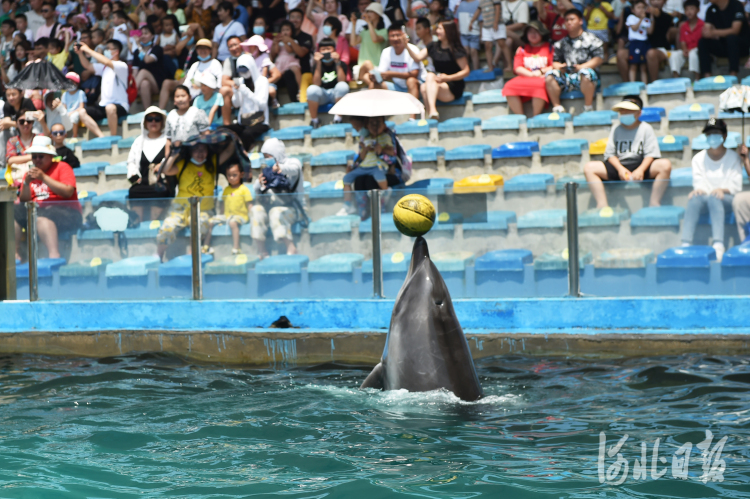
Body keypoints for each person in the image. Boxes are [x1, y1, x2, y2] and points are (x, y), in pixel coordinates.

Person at [583, 96, 672, 209]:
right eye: (622, 111)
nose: (625, 113)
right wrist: (620, 169)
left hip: (641, 165)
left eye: (629, 111)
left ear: (638, 113)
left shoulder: (646, 128)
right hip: (620, 166)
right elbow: (610, 154)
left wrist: (640, 170)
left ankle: (654, 202)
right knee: (589, 168)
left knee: (665, 165)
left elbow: (651, 154)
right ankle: (602, 205)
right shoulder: (616, 129)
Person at [157, 140, 236, 260]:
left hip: (203, 210)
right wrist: (175, 153)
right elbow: (166, 170)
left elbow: (229, 150)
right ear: (190, 151)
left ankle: (192, 257)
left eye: (203, 149)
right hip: (180, 209)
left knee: (200, 224)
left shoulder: (212, 163)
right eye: (196, 149)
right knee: (167, 228)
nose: (200, 153)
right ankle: (158, 257)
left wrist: (231, 136)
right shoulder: (183, 164)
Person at [681, 119, 742, 261]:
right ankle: (686, 243)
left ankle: (718, 244)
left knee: (715, 198)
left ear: (725, 136)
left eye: (716, 133)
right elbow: (699, 182)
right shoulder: (698, 158)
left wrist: (722, 190)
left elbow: (736, 185)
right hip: (706, 197)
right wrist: (698, 190)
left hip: (727, 199)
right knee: (694, 199)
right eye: (709, 134)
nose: (712, 137)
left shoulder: (734, 158)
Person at [13, 136, 81, 262]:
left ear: (50, 156)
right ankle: (15, 253)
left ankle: (54, 256)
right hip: (38, 210)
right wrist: (27, 183)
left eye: (41, 156)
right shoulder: (30, 173)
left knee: (41, 216)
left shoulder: (63, 167)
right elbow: (24, 200)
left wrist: (44, 177)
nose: (37, 160)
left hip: (68, 212)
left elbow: (68, 192)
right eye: (34, 156)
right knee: (15, 212)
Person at [405, 21, 470, 119]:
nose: (437, 31)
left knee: (430, 77)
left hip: (453, 85)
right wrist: (406, 45)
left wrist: (448, 78)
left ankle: (431, 111)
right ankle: (432, 113)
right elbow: (417, 58)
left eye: (440, 29)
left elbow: (466, 71)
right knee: (423, 86)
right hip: (438, 81)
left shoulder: (456, 50)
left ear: (448, 31)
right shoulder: (433, 46)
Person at [252, 138, 304, 258]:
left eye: (268, 156)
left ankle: (291, 248)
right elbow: (256, 188)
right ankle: (262, 251)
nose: (266, 159)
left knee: (276, 212)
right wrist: (260, 184)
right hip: (271, 207)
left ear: (276, 153)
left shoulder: (293, 162)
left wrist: (281, 169)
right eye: (264, 156)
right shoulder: (267, 170)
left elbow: (295, 170)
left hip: (294, 208)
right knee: (256, 210)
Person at [545, 8, 603, 114]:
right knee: (550, 75)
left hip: (587, 78)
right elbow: (554, 62)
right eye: (567, 20)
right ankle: (557, 107)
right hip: (567, 77)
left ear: (580, 21)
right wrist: (560, 67)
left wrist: (582, 67)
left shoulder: (591, 39)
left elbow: (599, 58)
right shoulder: (561, 43)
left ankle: (588, 107)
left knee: (586, 73)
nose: (569, 22)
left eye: (572, 19)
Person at [338, 115, 396, 216]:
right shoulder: (364, 138)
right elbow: (361, 157)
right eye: (371, 124)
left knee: (376, 180)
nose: (374, 127)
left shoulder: (387, 137)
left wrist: (381, 149)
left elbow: (392, 153)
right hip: (364, 167)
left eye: (377, 124)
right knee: (351, 179)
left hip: (379, 168)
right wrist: (364, 148)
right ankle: (355, 208)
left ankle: (382, 203)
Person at [74, 40, 130, 138]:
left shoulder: (122, 66)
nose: (106, 51)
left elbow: (107, 61)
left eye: (108, 48)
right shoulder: (103, 68)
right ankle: (101, 136)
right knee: (82, 112)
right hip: (103, 106)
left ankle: (114, 137)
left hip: (120, 105)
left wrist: (88, 50)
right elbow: (88, 66)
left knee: (110, 108)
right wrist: (80, 53)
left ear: (116, 51)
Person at [127, 106, 171, 222]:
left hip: (160, 184)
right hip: (142, 183)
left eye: (157, 119)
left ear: (162, 122)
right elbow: (131, 162)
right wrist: (134, 177)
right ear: (145, 122)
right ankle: (138, 227)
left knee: (161, 192)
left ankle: (154, 226)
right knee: (134, 191)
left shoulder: (167, 140)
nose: (153, 122)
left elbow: (170, 158)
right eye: (150, 119)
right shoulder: (138, 141)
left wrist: (161, 167)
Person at [502, 20, 553, 116]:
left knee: (540, 86)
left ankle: (535, 116)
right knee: (509, 86)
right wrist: (531, 74)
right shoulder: (521, 49)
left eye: (536, 32)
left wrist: (541, 72)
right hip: (525, 77)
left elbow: (554, 65)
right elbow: (517, 67)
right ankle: (520, 117)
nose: (533, 34)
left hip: (542, 77)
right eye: (530, 32)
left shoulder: (550, 48)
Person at [363, 22, 420, 102]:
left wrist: (391, 74)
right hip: (396, 87)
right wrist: (376, 77)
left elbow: (414, 74)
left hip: (416, 86)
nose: (395, 38)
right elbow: (382, 73)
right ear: (388, 38)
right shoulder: (386, 51)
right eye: (392, 36)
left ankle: (413, 113)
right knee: (375, 84)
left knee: (411, 81)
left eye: (398, 35)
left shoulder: (413, 49)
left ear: (404, 36)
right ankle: (371, 113)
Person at [159, 38, 223, 108]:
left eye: (205, 48)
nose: (203, 51)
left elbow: (219, 84)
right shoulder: (195, 65)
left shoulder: (215, 63)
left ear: (210, 50)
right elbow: (187, 83)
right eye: (200, 49)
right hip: (192, 97)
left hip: (208, 96)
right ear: (197, 51)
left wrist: (201, 87)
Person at [205, 163, 253, 255]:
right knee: (211, 221)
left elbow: (249, 205)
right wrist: (221, 216)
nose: (231, 178)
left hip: (241, 217)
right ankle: (206, 245)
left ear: (241, 174)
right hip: (227, 216)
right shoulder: (226, 189)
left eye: (234, 175)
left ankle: (236, 247)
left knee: (233, 223)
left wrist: (251, 218)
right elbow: (223, 204)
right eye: (229, 175)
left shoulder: (244, 189)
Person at [226, 54, 270, 150]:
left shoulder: (262, 81)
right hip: (244, 121)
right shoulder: (241, 81)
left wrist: (247, 92)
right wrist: (236, 92)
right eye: (241, 71)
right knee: (224, 130)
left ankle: (245, 153)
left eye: (245, 71)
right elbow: (236, 104)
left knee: (247, 134)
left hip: (260, 121)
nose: (243, 74)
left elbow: (262, 104)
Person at [698, 0, 750, 77]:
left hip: (741, 47)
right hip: (723, 45)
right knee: (703, 42)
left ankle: (733, 75)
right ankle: (707, 76)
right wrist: (710, 33)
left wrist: (713, 32)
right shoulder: (711, 9)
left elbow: (735, 30)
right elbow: (706, 31)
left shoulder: (736, 5)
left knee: (731, 38)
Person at [307, 37, 349, 128]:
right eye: (323, 49)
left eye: (328, 49)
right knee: (311, 89)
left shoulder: (342, 64)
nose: (326, 52)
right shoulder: (316, 65)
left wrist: (337, 62)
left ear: (334, 50)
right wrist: (318, 63)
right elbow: (316, 84)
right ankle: (314, 121)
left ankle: (338, 119)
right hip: (323, 95)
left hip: (336, 95)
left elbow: (342, 81)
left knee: (343, 86)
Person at [132, 24, 167, 109]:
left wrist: (139, 45)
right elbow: (135, 72)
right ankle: (147, 111)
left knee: (143, 71)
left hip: (157, 82)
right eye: (141, 34)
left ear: (152, 36)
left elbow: (147, 60)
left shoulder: (157, 49)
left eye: (146, 33)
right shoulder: (136, 52)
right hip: (143, 83)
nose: (143, 36)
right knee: (144, 83)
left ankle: (131, 92)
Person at [350, 2, 387, 77]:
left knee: (370, 79)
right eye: (367, 12)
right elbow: (353, 43)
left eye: (371, 12)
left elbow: (375, 39)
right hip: (362, 68)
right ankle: (378, 80)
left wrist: (369, 23)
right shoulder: (364, 31)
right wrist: (354, 24)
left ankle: (377, 79)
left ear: (378, 14)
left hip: (378, 67)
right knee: (367, 64)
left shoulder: (384, 31)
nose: (368, 14)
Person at [669, 0, 703, 77]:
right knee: (674, 54)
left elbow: (702, 43)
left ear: (698, 10)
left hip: (697, 50)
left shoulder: (702, 25)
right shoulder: (683, 26)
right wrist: (685, 50)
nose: (689, 12)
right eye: (686, 9)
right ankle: (676, 79)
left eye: (691, 9)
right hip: (687, 51)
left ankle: (697, 78)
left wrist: (690, 50)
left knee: (693, 53)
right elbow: (682, 41)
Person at [469, 0, 503, 72]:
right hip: (486, 26)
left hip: (496, 24)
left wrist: (496, 22)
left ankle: (507, 65)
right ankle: (490, 67)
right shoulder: (481, 1)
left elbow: (497, 8)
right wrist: (471, 22)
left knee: (501, 43)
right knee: (487, 46)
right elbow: (478, 10)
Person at [5, 111, 38, 185]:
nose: (25, 123)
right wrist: (33, 157)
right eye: (22, 121)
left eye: (28, 121)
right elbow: (10, 160)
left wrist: (42, 122)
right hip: (19, 181)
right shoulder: (12, 141)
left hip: (38, 179)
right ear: (16, 123)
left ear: (32, 122)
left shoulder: (39, 138)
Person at [271, 21, 303, 98]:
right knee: (276, 75)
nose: (285, 32)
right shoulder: (279, 42)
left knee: (296, 70)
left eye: (287, 30)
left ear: (292, 31)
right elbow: (276, 51)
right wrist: (275, 43)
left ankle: (300, 89)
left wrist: (286, 42)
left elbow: (290, 50)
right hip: (280, 62)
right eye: (283, 30)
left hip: (290, 61)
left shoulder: (294, 41)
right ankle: (270, 88)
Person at [644, 0, 672, 82]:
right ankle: (631, 87)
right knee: (621, 54)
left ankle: (654, 84)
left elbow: (660, 16)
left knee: (651, 53)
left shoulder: (667, 17)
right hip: (642, 46)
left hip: (660, 49)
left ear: (665, 1)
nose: (656, 2)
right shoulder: (642, 15)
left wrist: (654, 14)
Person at [625, 0, 651, 83]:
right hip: (635, 43)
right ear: (633, 10)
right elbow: (634, 28)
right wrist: (641, 19)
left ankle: (645, 85)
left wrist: (652, 17)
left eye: (643, 8)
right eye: (638, 8)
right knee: (633, 64)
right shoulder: (631, 18)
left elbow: (650, 31)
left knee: (643, 66)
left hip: (644, 43)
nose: (641, 10)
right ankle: (632, 84)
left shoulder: (647, 20)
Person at [500, 0, 530, 65]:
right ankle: (509, 67)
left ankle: (495, 60)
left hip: (521, 38)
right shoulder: (502, 3)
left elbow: (522, 24)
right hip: (505, 38)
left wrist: (504, 29)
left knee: (502, 33)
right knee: (508, 41)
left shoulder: (522, 4)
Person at [456, 0, 480, 69]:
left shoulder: (478, 3)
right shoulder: (461, 4)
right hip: (463, 33)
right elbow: (458, 19)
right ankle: (466, 70)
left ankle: (476, 70)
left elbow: (481, 20)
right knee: (465, 50)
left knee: (473, 51)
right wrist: (458, 30)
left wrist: (481, 34)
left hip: (475, 32)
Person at [61, 72, 86, 137]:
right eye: (68, 82)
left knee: (73, 117)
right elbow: (64, 108)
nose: (70, 83)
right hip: (68, 113)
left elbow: (81, 107)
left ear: (77, 83)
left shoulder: (80, 93)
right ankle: (63, 135)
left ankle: (75, 135)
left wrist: (71, 113)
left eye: (72, 81)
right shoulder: (64, 94)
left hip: (77, 113)